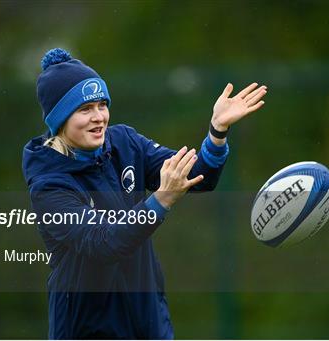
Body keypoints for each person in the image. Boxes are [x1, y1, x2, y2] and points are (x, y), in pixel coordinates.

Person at [22, 48, 267, 339]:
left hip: (149, 322)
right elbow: (103, 243)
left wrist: (216, 132)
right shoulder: (50, 184)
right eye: (84, 110)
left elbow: (197, 177)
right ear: (59, 119)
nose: (98, 117)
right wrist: (160, 201)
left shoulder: (125, 142)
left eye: (102, 105)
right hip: (88, 330)